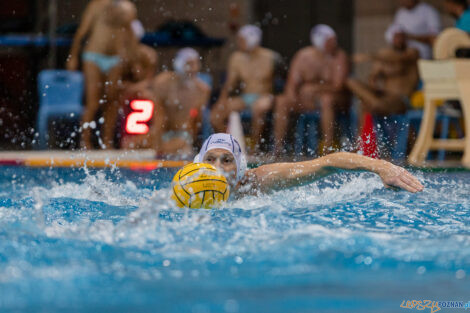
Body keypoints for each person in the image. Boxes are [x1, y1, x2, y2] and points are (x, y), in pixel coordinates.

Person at [193, 133, 424, 197]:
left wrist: (382, 167)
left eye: (227, 160)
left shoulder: (258, 181)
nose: (218, 168)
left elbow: (328, 163)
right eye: (210, 159)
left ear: (241, 168)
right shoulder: (188, 191)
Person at [66, 0, 138, 149]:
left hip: (115, 58)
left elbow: (130, 35)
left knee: (112, 100)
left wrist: (134, 59)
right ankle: (85, 141)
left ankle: (107, 141)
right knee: (92, 101)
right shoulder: (96, 5)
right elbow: (82, 31)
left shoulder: (127, 8)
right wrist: (72, 56)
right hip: (94, 56)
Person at [273, 25, 350, 155]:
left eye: (334, 40)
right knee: (281, 101)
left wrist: (316, 88)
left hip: (333, 101)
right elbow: (291, 84)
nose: (334, 44)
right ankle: (278, 147)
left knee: (326, 99)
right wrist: (292, 97)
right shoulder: (304, 56)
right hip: (307, 101)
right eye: (330, 41)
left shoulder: (339, 56)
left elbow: (338, 86)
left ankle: (327, 146)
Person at [122, 48, 210, 156]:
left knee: (177, 147)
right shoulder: (163, 82)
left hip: (181, 136)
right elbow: (159, 118)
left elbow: (196, 123)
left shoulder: (202, 90)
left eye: (196, 64)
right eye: (189, 64)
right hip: (161, 132)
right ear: (179, 64)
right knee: (129, 144)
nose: (193, 68)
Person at [210, 25, 281, 152]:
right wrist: (221, 101)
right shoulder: (236, 58)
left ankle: (255, 147)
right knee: (215, 115)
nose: (239, 43)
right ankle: (229, 145)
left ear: (252, 40)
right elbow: (229, 84)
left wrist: (276, 97)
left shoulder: (271, 57)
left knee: (259, 108)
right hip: (245, 97)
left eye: (241, 40)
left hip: (265, 96)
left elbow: (282, 85)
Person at [347, 24, 419, 130]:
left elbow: (397, 58)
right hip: (384, 96)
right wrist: (373, 84)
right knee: (350, 81)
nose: (400, 40)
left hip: (401, 99)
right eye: (397, 37)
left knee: (368, 106)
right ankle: (363, 144)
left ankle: (363, 144)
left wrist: (369, 56)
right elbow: (372, 78)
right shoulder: (383, 57)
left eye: (402, 37)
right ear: (391, 39)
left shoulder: (412, 52)